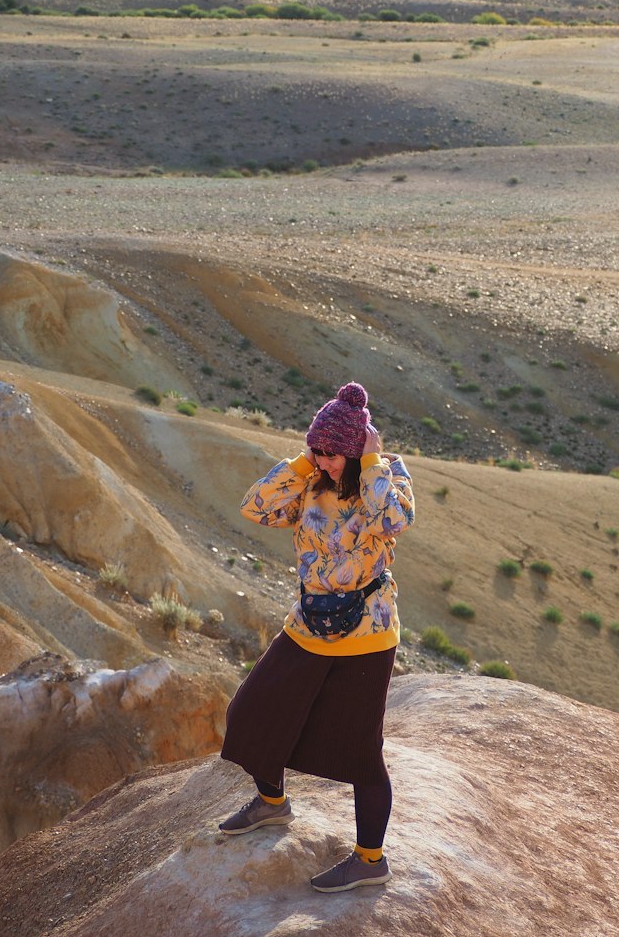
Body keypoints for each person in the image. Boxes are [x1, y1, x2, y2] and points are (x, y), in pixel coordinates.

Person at [218, 381, 415, 893]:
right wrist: (305, 463)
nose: (325, 461)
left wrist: (369, 462)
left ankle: (370, 860)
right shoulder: (310, 481)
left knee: (359, 751)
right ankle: (272, 803)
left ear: (355, 450)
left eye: (332, 454)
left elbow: (394, 519)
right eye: (318, 450)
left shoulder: (386, 475)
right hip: (308, 625)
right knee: (251, 712)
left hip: (366, 635)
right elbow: (254, 508)